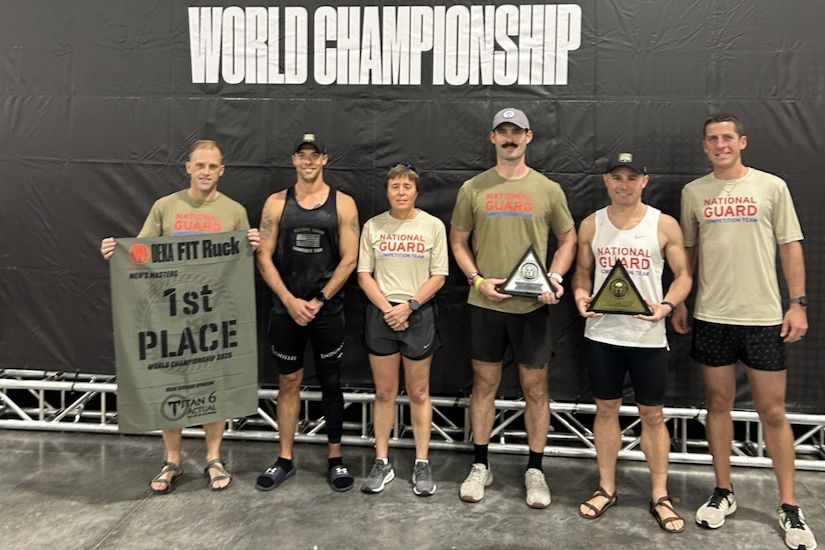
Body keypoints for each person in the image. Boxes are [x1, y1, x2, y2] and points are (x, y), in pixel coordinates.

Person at [672, 113, 816, 550]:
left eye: (727, 138)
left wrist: (798, 303)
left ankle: (789, 505)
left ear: (742, 142)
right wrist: (680, 298)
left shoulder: (771, 187)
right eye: (712, 138)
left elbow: (790, 246)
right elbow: (689, 253)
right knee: (718, 404)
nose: (720, 144)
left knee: (772, 412)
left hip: (764, 317)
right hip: (713, 315)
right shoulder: (693, 192)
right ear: (705, 146)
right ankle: (723, 491)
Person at [100, 139, 260, 493]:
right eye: (200, 165)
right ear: (188, 167)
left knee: (213, 385)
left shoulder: (234, 211)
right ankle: (172, 460)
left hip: (212, 316)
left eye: (212, 166)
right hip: (169, 314)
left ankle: (213, 458)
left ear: (222, 170)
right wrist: (117, 253)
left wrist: (252, 244)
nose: (206, 172)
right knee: (170, 386)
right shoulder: (165, 206)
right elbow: (140, 253)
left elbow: (239, 262)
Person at [449, 107, 577, 508]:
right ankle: (480, 464)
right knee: (484, 385)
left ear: (528, 137)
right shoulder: (473, 188)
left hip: (531, 308)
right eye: (502, 131)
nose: (509, 138)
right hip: (484, 305)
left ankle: (535, 470)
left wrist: (554, 278)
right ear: (492, 138)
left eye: (516, 132)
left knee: (535, 389)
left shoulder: (548, 190)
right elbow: (458, 241)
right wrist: (476, 280)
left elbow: (569, 239)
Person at [571, 153, 691, 533]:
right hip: (603, 335)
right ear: (606, 181)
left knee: (652, 415)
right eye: (616, 177)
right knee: (606, 410)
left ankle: (660, 495)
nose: (624, 184)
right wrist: (578, 296)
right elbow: (581, 275)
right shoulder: (591, 224)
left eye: (631, 177)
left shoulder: (664, 224)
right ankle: (606, 488)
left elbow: (684, 275)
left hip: (648, 336)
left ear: (645, 180)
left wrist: (668, 305)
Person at [254, 133, 359, 493]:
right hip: (286, 310)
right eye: (303, 155)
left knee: (331, 381)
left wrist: (319, 299)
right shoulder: (275, 203)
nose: (309, 161)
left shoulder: (343, 204)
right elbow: (263, 256)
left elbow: (350, 258)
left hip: (326, 310)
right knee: (288, 382)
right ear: (294, 160)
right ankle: (285, 460)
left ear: (325, 159)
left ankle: (335, 458)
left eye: (315, 155)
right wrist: (289, 300)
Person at [357, 163, 448, 497]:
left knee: (419, 392)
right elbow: (364, 274)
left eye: (406, 187)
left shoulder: (433, 226)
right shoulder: (373, 226)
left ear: (416, 191)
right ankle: (382, 461)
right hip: (381, 314)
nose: (400, 192)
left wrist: (408, 307)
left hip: (417, 314)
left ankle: (421, 462)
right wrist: (387, 309)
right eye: (394, 186)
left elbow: (439, 275)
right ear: (387, 191)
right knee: (384, 393)